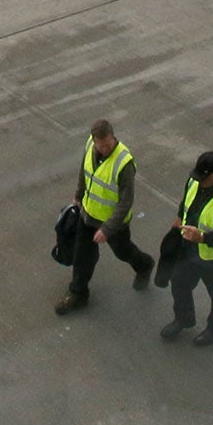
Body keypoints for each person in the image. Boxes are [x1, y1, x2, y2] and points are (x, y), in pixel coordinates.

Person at [57, 119, 155, 314]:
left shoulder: (123, 163)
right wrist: (79, 193)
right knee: (82, 255)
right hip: (88, 214)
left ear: (113, 137)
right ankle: (78, 294)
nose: (104, 149)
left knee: (123, 252)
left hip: (113, 223)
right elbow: (84, 171)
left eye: (108, 145)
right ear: (94, 141)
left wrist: (107, 228)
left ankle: (144, 265)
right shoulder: (90, 146)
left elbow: (126, 201)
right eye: (100, 146)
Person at [160, 151, 213, 346]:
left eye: (204, 178)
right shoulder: (196, 181)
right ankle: (184, 318)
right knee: (179, 282)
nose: (199, 181)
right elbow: (186, 202)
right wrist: (179, 217)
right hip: (190, 250)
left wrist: (202, 237)